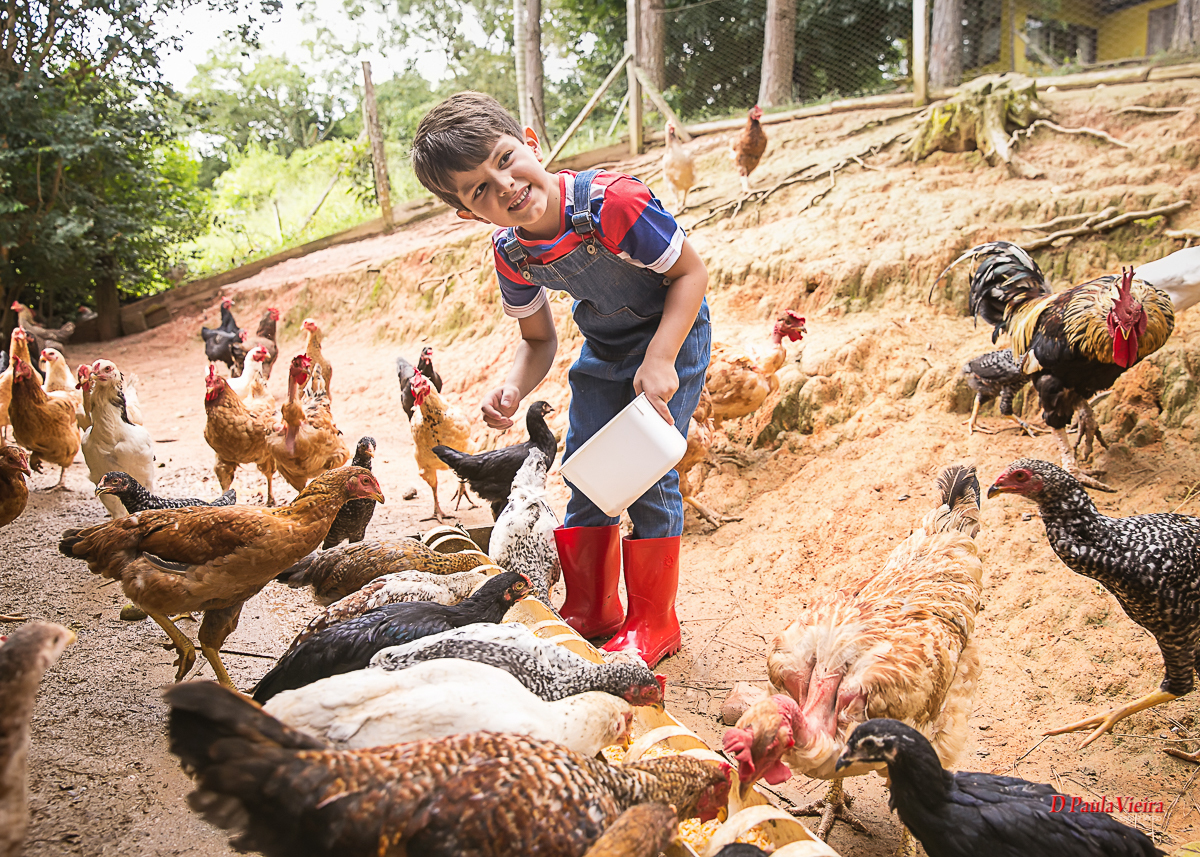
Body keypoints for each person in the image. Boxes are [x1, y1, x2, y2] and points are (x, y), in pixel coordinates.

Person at [410, 92, 711, 667]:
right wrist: (514, 387)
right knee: (588, 472)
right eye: (479, 190)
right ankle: (592, 607)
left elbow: (691, 273)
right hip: (605, 346)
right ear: (468, 213)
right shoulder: (512, 251)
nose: (504, 186)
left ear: (530, 141)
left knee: (646, 472)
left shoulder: (614, 203)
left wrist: (661, 358)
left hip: (673, 333)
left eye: (504, 159)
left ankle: (655, 622)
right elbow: (538, 340)